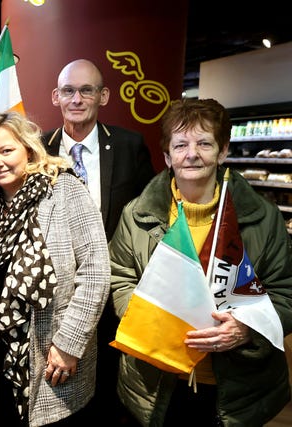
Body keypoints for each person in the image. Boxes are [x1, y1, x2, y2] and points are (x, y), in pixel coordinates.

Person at [109, 98, 292, 426]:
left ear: (223, 151)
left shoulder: (262, 218)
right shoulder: (138, 215)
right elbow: (119, 275)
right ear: (167, 157)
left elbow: (286, 292)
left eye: (204, 143)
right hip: (157, 379)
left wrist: (247, 330)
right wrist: (148, 317)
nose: (192, 153)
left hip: (233, 387)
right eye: (181, 144)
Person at [0, 111, 110, 426]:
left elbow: (96, 272)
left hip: (47, 351)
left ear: (28, 150)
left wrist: (70, 343)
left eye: (6, 150)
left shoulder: (63, 190)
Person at [43, 58, 155, 425]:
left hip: (112, 300)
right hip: (56, 302)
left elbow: (149, 217)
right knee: (61, 395)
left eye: (86, 90)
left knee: (108, 401)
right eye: (69, 91)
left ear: (103, 96)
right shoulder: (37, 150)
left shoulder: (129, 146)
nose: (77, 99)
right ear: (56, 96)